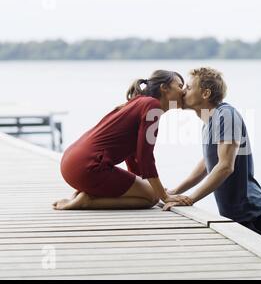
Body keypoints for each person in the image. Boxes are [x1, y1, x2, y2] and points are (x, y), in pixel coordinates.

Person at [164, 67, 261, 247]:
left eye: (189, 88)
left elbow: (225, 166)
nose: (183, 91)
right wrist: (175, 192)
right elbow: (208, 163)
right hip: (239, 217)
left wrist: (190, 199)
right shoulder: (209, 123)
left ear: (205, 93)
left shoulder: (226, 115)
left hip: (257, 216)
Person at [53, 70, 193, 210]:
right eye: (180, 86)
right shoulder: (153, 106)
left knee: (150, 192)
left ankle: (83, 195)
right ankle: (87, 201)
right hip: (89, 168)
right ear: (164, 88)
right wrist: (164, 196)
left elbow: (133, 155)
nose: (183, 92)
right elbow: (145, 156)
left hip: (71, 164)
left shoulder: (139, 102)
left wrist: (143, 185)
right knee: (153, 198)